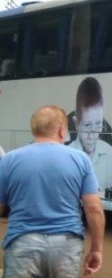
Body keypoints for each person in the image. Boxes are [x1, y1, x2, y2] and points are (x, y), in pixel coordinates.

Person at [0, 105, 105, 276]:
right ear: (62, 130)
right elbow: (93, 208)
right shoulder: (81, 159)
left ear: (34, 130)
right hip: (66, 246)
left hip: (22, 242)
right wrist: (96, 249)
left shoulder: (9, 160)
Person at [68, 77, 112, 199]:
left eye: (98, 125)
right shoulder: (67, 155)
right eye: (87, 125)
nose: (93, 134)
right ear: (77, 123)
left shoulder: (107, 151)